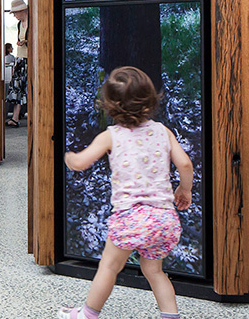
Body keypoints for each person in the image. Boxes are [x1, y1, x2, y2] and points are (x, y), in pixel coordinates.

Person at [60, 66, 193, 319]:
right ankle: (171, 316)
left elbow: (80, 163)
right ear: (151, 100)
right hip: (163, 219)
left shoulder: (111, 136)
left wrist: (70, 158)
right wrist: (184, 190)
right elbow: (185, 164)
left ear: (109, 105)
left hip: (130, 219)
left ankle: (87, 314)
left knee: (109, 266)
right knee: (155, 272)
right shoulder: (163, 132)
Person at [5, 0, 29, 127]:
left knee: (27, 88)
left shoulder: (31, 23)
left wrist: (26, 42)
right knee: (16, 87)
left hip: (29, 59)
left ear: (22, 11)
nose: (14, 16)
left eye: (15, 13)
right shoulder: (19, 24)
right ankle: (15, 117)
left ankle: (20, 117)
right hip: (20, 59)